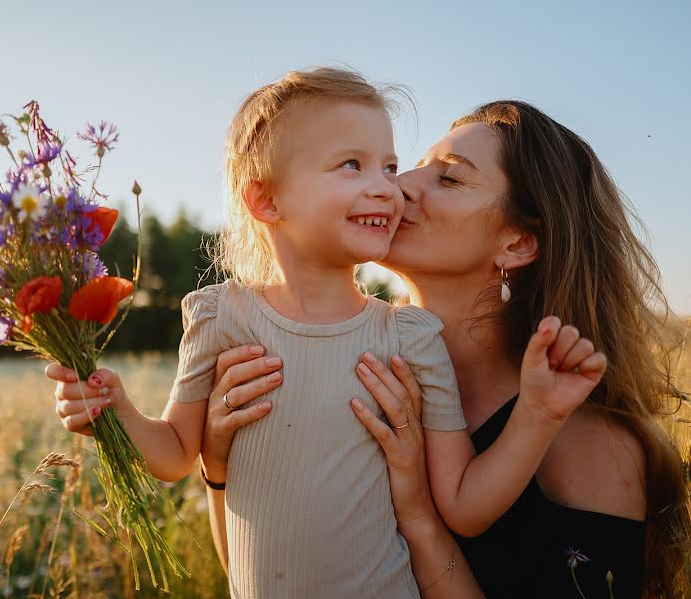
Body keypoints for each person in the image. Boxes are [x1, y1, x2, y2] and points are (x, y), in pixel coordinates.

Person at [48, 69, 607, 598]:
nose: (390, 189)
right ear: (266, 199)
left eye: (388, 167)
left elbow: (463, 503)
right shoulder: (220, 317)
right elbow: (173, 456)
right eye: (351, 166)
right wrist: (116, 411)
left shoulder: (409, 337)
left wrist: (536, 414)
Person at [201, 100, 691, 598]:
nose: (400, 185)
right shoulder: (357, 371)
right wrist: (219, 470)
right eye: (411, 167)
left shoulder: (589, 447)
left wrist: (419, 516)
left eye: (450, 180)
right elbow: (259, 576)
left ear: (518, 243)